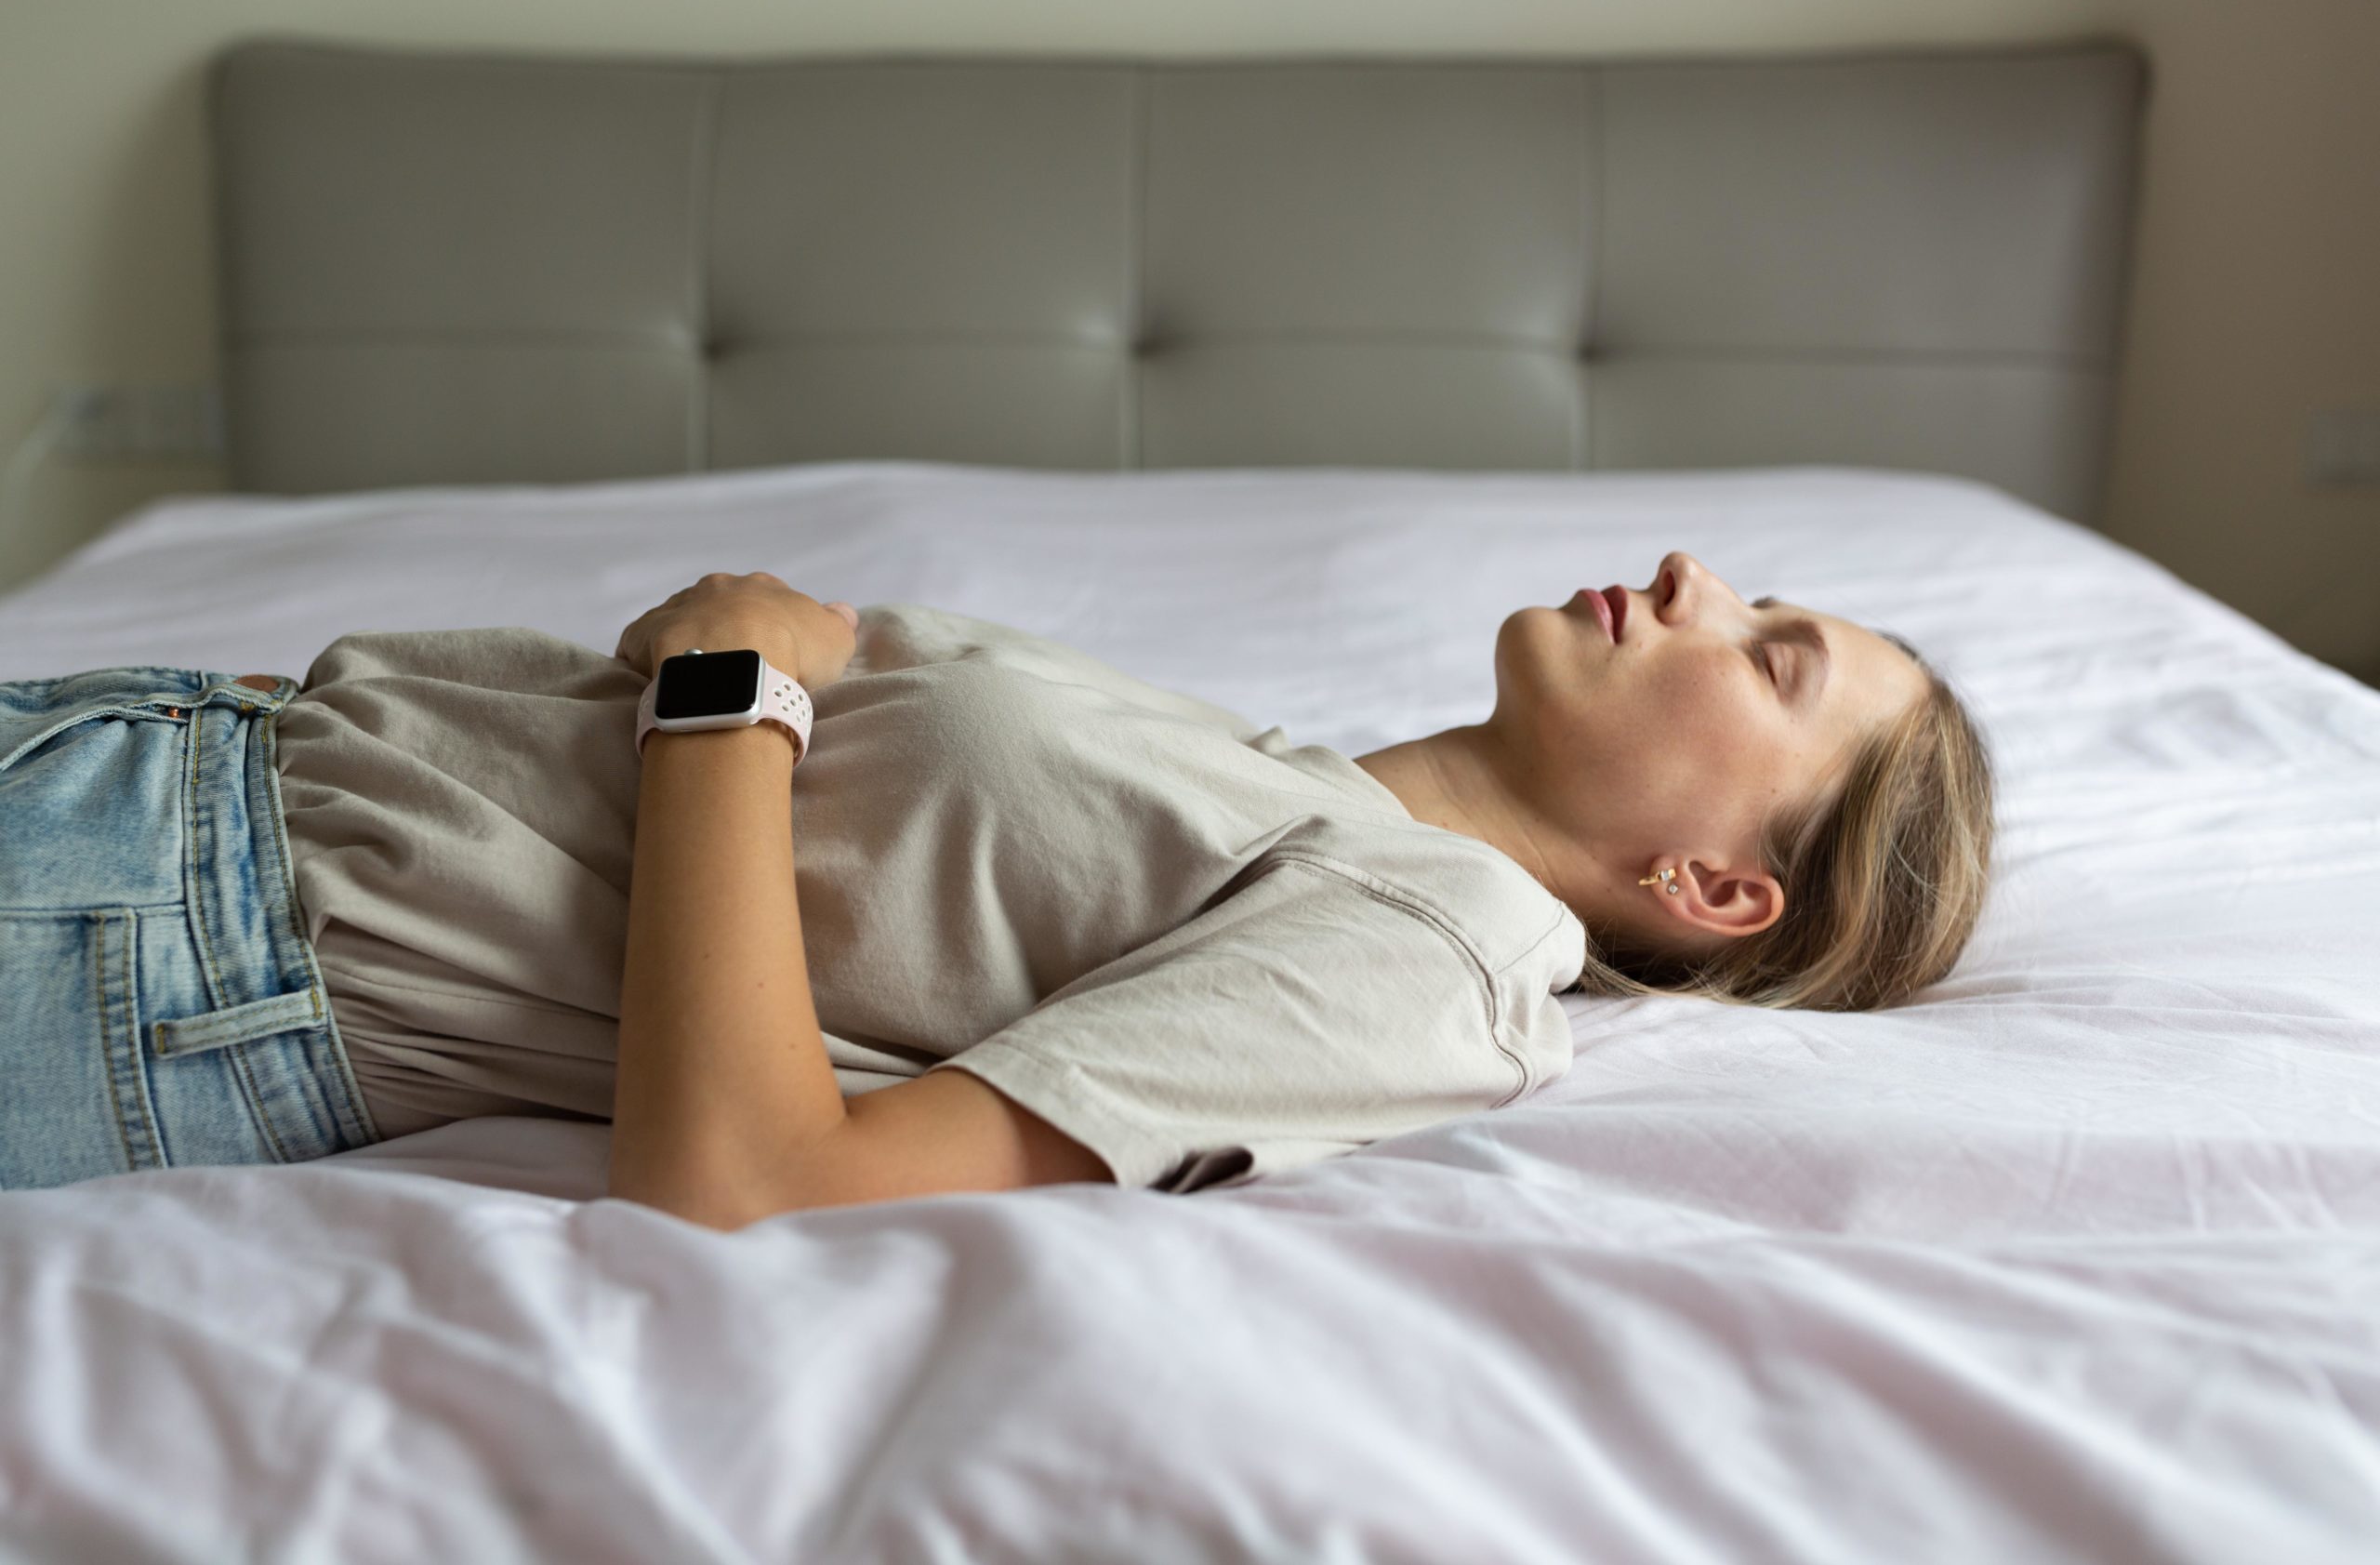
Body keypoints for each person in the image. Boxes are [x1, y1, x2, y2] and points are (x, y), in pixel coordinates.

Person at [0, 551, 1992, 1214]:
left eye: (1770, 655)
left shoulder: (1439, 955)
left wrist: (729, 688)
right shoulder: (1301, 791)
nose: (1689, 586)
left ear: (1720, 889)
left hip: (165, 927)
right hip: (143, 769)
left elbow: (752, 1176)